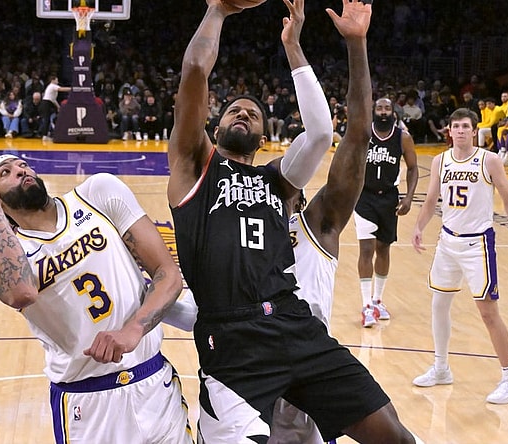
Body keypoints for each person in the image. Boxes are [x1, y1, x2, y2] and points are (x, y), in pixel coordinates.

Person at [167, 0, 415, 442]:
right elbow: (194, 74)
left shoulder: (288, 193)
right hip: (235, 342)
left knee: (395, 436)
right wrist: (218, 10)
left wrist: (353, 44)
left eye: (253, 113)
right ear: (214, 124)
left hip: (297, 330)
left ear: (267, 139)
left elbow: (330, 132)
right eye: (232, 110)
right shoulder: (196, 169)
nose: (242, 113)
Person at [0, 154, 193, 444]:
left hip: (154, 384)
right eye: (5, 172)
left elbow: (167, 273)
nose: (21, 171)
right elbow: (20, 292)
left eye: (22, 165)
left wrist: (133, 329)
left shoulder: (98, 193)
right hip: (88, 400)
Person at [411, 107, 508, 405]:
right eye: (456, 126)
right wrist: (419, 227)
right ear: (449, 131)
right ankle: (441, 368)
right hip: (447, 241)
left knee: (489, 313)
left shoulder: (487, 160)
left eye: (465, 126)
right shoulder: (440, 161)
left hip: (478, 244)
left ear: (474, 131)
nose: (460, 131)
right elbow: (431, 199)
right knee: (439, 304)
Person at [354, 97, 418, 327]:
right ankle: (366, 305)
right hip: (364, 197)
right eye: (379, 108)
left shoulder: (403, 138)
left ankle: (378, 299)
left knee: (383, 248)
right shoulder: (364, 135)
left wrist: (409, 197)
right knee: (366, 248)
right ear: (373, 111)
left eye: (387, 108)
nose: (383, 112)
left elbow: (412, 168)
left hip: (389, 198)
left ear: (393, 112)